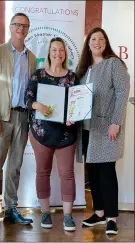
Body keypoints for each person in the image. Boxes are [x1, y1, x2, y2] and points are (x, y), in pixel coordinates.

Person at [0, 13, 36, 230]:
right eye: (17, 25)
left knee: (14, 167)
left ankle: (11, 208)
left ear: (28, 29)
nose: (21, 28)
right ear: (11, 28)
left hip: (23, 117)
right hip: (1, 118)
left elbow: (33, 91)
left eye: (25, 25)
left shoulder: (32, 58)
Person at [75, 27, 130, 235]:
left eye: (101, 38)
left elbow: (122, 93)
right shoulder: (84, 69)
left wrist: (116, 122)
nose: (97, 42)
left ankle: (111, 218)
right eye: (93, 39)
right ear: (88, 44)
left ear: (106, 43)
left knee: (106, 172)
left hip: (107, 128)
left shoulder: (114, 64)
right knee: (93, 173)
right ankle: (98, 213)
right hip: (87, 129)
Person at [25, 37, 78, 231]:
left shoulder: (72, 77)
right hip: (41, 133)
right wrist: (37, 105)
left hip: (66, 134)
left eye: (61, 50)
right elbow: (28, 98)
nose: (58, 53)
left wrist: (74, 116)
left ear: (65, 54)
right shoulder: (38, 75)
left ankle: (68, 216)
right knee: (42, 172)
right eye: (54, 50)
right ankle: (46, 213)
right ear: (49, 53)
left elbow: (77, 104)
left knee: (67, 174)